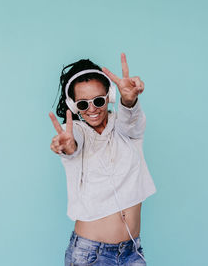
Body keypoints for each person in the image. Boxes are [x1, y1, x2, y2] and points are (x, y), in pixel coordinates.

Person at [49, 53, 156, 265]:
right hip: (91, 255)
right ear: (72, 105)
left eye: (98, 100)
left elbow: (131, 119)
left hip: (132, 252)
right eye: (83, 104)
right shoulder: (75, 132)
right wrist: (68, 147)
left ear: (110, 95)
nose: (92, 109)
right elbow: (73, 144)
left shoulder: (126, 129)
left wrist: (129, 99)